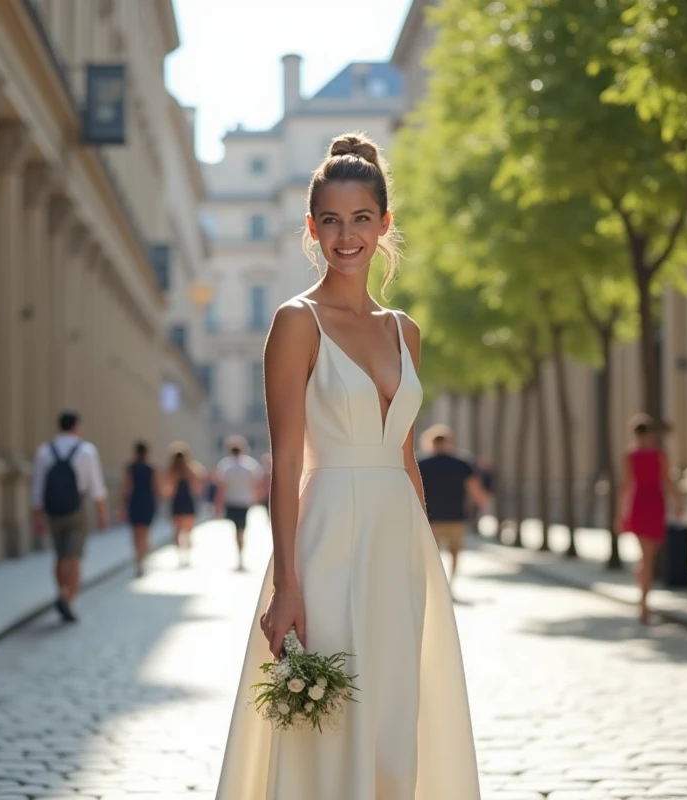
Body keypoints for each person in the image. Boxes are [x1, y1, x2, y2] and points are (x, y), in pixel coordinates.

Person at [216, 133, 479, 799]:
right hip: (326, 536)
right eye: (330, 221)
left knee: (394, 719)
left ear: (384, 224)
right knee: (328, 720)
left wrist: (430, 562)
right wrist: (287, 585)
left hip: (400, 544)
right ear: (311, 228)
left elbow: (406, 456)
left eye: (362, 219)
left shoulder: (405, 331)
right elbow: (284, 463)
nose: (346, 236)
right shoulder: (295, 321)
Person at [31, 410, 109, 623]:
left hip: (53, 511)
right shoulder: (86, 451)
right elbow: (97, 488)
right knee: (74, 558)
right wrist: (102, 514)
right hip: (77, 509)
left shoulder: (45, 451)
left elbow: (38, 487)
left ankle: (61, 591)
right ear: (76, 426)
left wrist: (37, 517)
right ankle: (67, 598)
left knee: (59, 556)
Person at [619, 413, 680, 624]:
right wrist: (677, 503)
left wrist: (621, 514)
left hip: (641, 503)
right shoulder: (659, 455)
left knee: (645, 557)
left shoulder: (631, 455)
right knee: (649, 557)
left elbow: (626, 486)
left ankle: (642, 600)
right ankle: (644, 604)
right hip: (653, 503)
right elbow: (668, 480)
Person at [418, 424, 491, 585]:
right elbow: (474, 488)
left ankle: (435, 584)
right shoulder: (462, 463)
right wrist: (484, 504)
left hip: (430, 518)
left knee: (431, 555)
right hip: (455, 516)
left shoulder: (421, 463)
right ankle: (450, 582)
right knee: (455, 553)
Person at [213, 436, 263, 571]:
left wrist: (217, 504)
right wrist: (256, 498)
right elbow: (257, 484)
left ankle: (239, 554)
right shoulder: (250, 465)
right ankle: (241, 555)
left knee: (236, 529)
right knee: (242, 529)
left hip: (232, 501)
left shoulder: (225, 465)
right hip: (244, 501)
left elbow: (221, 487)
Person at [122, 440, 159, 577]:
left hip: (135, 501)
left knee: (136, 533)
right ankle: (143, 558)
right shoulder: (151, 468)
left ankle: (139, 560)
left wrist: (122, 506)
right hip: (147, 501)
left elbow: (126, 488)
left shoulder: (130, 467)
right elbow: (156, 488)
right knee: (145, 532)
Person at [164, 443, 203, 567]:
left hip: (179, 502)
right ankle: (185, 556)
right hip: (186, 501)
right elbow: (198, 488)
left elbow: (167, 491)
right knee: (187, 530)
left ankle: (182, 555)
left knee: (179, 530)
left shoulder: (175, 471)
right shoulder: (191, 469)